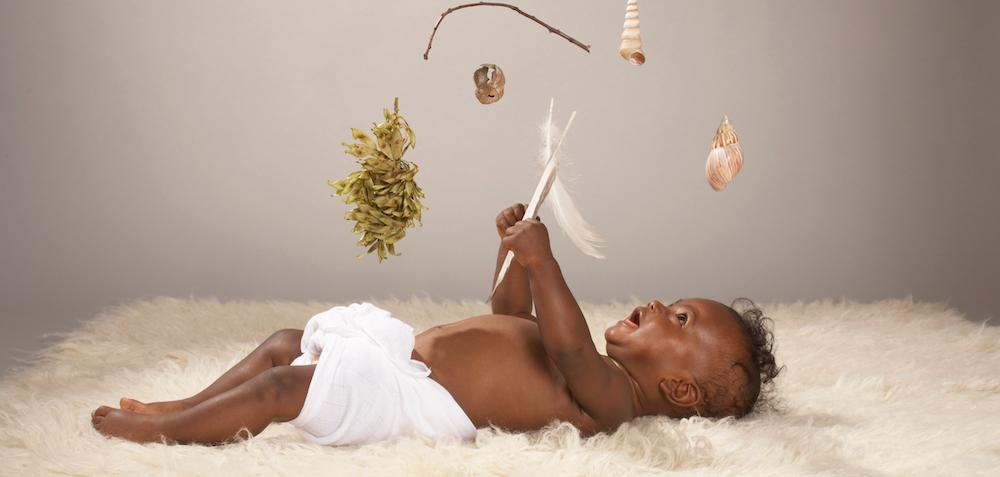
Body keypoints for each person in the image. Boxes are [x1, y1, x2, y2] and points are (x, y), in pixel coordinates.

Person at [91, 203, 780, 445]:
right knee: (282, 344)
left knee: (285, 387)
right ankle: (185, 405)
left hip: (419, 402)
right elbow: (507, 317)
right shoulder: (592, 370)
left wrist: (546, 262)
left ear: (681, 392)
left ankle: (164, 433)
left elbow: (568, 349)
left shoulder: (612, 400)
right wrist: (514, 255)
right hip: (408, 359)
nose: (660, 304)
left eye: (680, 317)